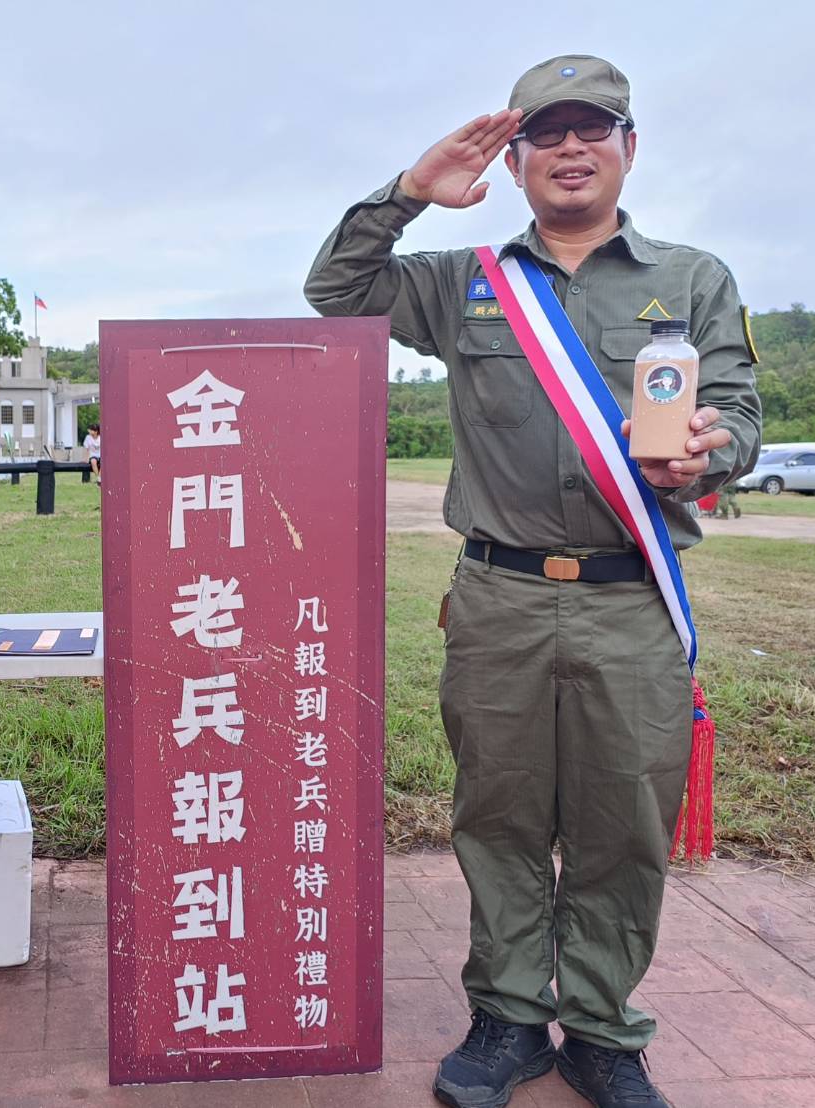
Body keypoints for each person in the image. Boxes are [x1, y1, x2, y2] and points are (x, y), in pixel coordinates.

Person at [304, 56, 759, 1108]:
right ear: (512, 161)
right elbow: (335, 292)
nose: (568, 148)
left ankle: (602, 1027)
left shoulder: (692, 278)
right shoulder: (465, 280)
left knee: (621, 819)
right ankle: (507, 1015)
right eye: (545, 133)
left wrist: (711, 443)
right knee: (499, 814)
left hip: (631, 599)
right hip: (499, 596)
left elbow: (737, 407)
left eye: (590, 129)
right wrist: (408, 194)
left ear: (627, 148)